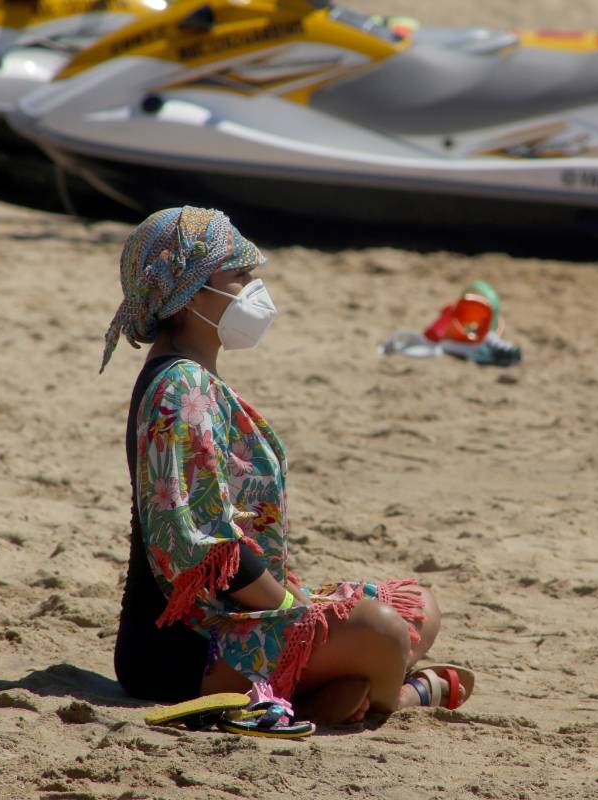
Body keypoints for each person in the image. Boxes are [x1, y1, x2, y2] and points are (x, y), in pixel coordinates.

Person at [105, 206, 474, 724]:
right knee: (384, 631)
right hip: (183, 646)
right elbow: (206, 545)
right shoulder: (180, 388)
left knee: (417, 605)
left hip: (235, 612)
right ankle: (403, 695)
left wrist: (303, 606)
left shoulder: (194, 374)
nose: (255, 287)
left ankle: (342, 688)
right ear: (189, 294)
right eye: (239, 275)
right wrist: (294, 610)